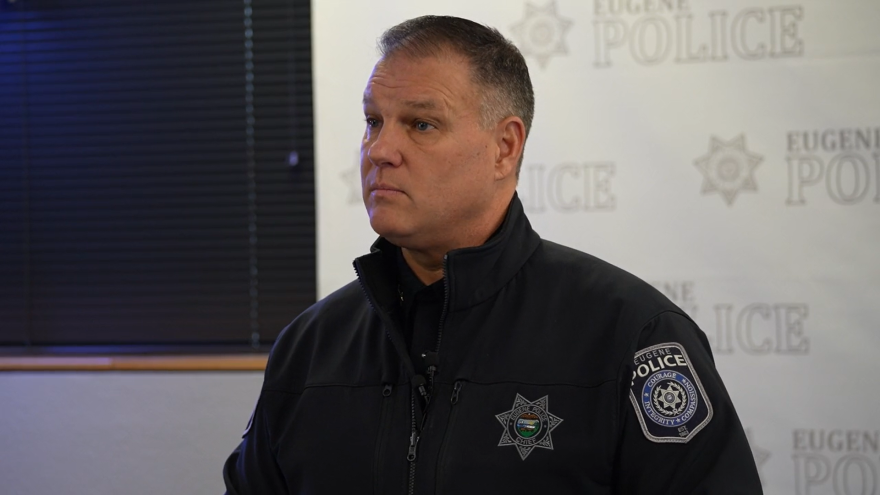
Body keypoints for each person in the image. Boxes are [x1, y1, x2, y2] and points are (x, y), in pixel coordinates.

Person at [223, 15, 762, 494]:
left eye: (421, 124)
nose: (380, 151)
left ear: (505, 147)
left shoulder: (633, 336)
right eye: (373, 121)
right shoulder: (310, 348)